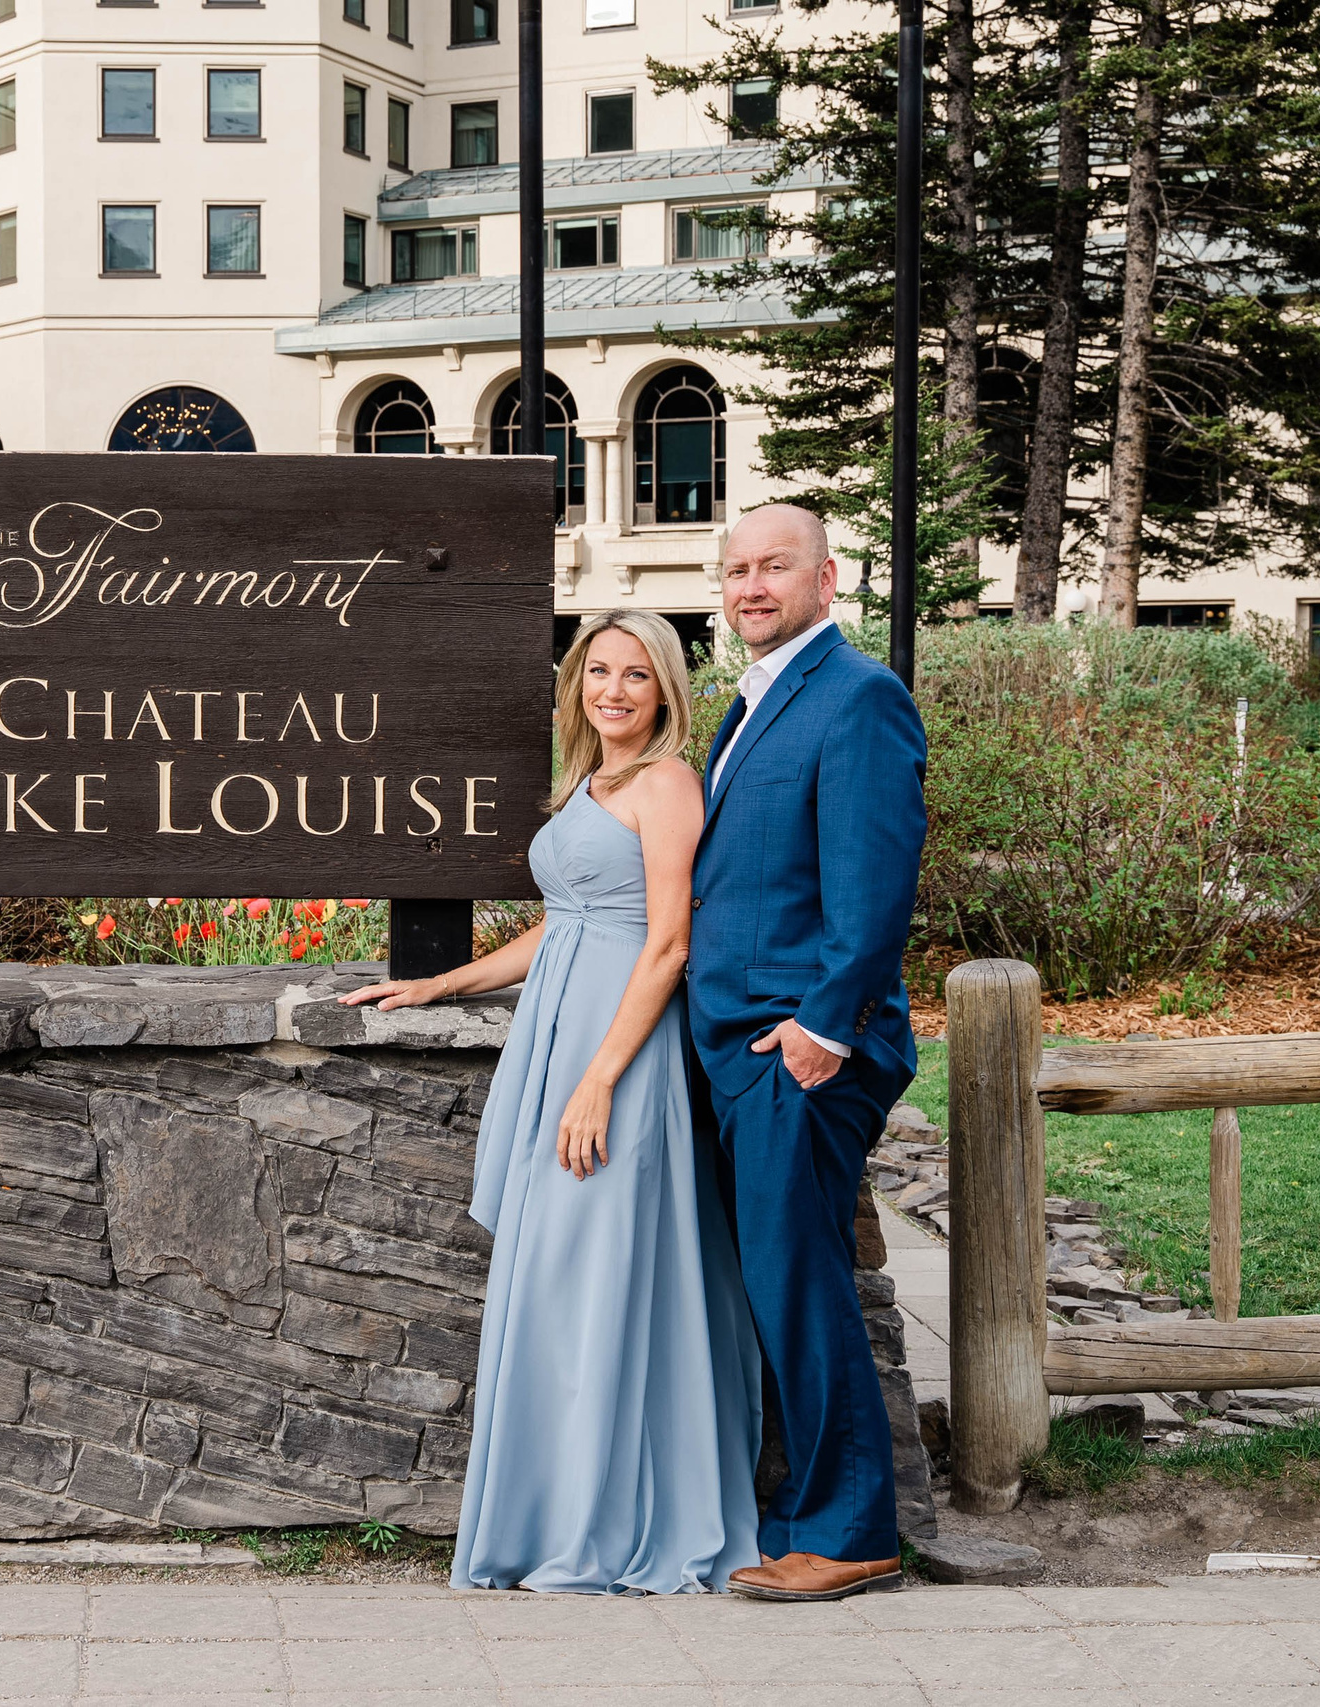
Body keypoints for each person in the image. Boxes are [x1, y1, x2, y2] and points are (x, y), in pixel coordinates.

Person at [342, 612, 763, 1595]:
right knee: (556, 1279)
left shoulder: (665, 785)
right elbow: (560, 926)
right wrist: (438, 985)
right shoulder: (590, 783)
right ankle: (549, 1512)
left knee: (605, 1272)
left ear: (665, 690)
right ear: (577, 684)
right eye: (597, 672)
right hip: (559, 1036)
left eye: (635, 676)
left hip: (617, 1050)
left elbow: (665, 943)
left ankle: (608, 1522)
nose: (613, 690)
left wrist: (599, 1078)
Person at [688, 503, 928, 1603]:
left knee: (800, 1283)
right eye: (734, 568)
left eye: (773, 566)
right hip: (740, 1049)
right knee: (779, 1285)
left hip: (802, 1050)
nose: (750, 585)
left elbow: (874, 884)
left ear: (825, 579)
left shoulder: (858, 696)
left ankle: (848, 1532)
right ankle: (803, 1518)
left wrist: (824, 1030)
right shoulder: (749, 705)